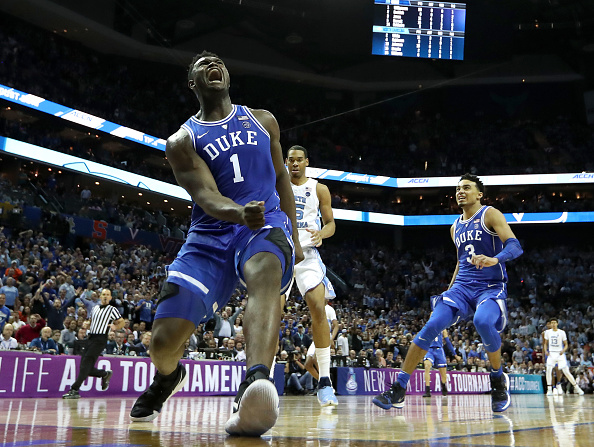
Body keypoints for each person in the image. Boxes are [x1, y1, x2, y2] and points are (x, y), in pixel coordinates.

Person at [128, 51, 303, 438]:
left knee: (266, 269)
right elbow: (206, 195)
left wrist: (292, 231)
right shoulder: (181, 140)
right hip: (209, 236)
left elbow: (280, 178)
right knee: (162, 342)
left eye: (218, 61)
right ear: (193, 82)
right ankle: (167, 377)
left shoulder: (262, 120)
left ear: (227, 75)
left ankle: (255, 381)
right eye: (202, 62)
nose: (213, 63)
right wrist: (239, 212)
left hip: (263, 224)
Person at [373, 173, 523, 413]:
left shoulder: (490, 213)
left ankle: (497, 379)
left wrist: (494, 259)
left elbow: (515, 246)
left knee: (482, 321)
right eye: (457, 188)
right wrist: (450, 289)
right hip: (462, 287)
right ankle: (399, 388)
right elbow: (460, 262)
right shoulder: (455, 227)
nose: (460, 191)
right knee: (431, 326)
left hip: (490, 287)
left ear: (479, 194)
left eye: (466, 187)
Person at [284, 145, 338, 407]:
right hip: (280, 251)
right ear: (285, 162)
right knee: (271, 311)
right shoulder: (276, 184)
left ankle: (325, 381)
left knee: (318, 305)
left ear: (307, 161)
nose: (295, 164)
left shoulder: (319, 188)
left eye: (299, 160)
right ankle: (259, 376)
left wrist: (322, 234)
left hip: (307, 253)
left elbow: (331, 224)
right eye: (290, 160)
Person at [62, 288, 124, 399]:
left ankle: (74, 389)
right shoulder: (95, 308)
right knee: (85, 367)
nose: (105, 296)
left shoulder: (112, 309)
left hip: (100, 339)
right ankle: (104, 374)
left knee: (86, 363)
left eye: (107, 295)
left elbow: (121, 321)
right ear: (100, 296)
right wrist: (87, 325)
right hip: (90, 338)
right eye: (103, 294)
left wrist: (116, 326)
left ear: (110, 297)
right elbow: (91, 321)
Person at [544, 317, 584, 396]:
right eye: (552, 323)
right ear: (550, 324)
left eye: (555, 323)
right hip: (551, 353)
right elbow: (545, 343)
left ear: (557, 324)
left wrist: (563, 350)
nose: (553, 324)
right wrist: (546, 351)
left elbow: (566, 344)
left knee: (566, 372)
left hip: (560, 354)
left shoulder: (562, 332)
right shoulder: (547, 332)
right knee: (548, 370)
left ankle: (577, 387)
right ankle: (549, 389)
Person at [422, 329, 455, 397]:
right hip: (429, 349)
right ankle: (427, 390)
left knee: (443, 372)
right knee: (427, 366)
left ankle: (443, 384)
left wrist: (455, 354)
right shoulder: (428, 326)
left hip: (439, 350)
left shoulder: (443, 328)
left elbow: (447, 341)